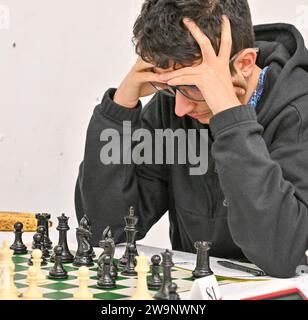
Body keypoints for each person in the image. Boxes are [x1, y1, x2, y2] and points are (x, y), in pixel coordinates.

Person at [75, 0, 308, 278]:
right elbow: (105, 231)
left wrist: (228, 115)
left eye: (194, 87)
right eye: (171, 88)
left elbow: (280, 254)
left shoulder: (299, 111)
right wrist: (121, 106)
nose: (180, 108)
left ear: (245, 63)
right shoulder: (173, 104)